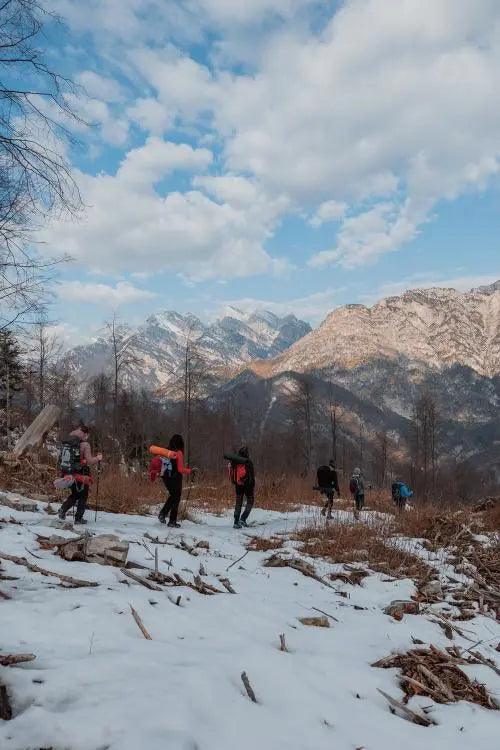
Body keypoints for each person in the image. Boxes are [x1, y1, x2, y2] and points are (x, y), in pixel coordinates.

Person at [58, 423, 102, 524]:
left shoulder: (68, 440)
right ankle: (78, 518)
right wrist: (98, 458)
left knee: (75, 494)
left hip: (68, 472)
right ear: (85, 433)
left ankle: (63, 510)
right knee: (83, 495)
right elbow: (90, 461)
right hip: (81, 474)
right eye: (87, 435)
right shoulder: (85, 444)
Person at [158, 434, 192, 527]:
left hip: (165, 477)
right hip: (175, 478)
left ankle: (163, 514)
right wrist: (190, 471)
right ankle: (171, 521)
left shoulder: (166, 451)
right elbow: (180, 469)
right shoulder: (178, 453)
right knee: (176, 498)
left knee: (173, 496)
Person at [228, 446, 255, 529]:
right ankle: (243, 519)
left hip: (238, 485)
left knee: (238, 503)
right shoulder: (248, 462)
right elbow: (251, 475)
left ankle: (236, 522)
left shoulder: (234, 462)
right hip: (248, 486)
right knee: (250, 501)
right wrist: (252, 485)